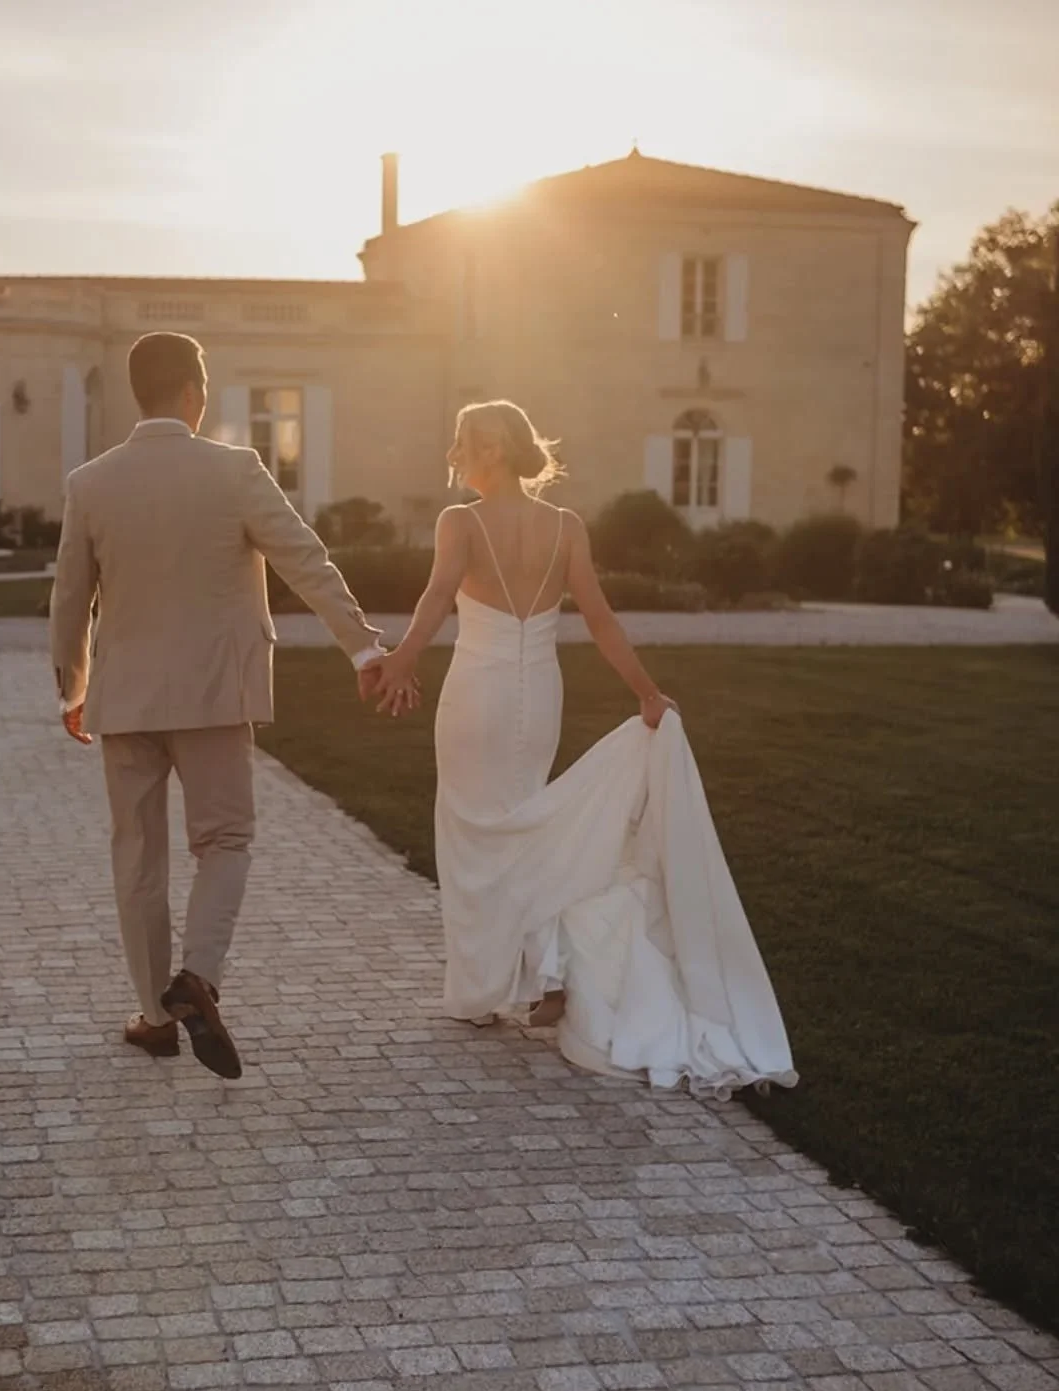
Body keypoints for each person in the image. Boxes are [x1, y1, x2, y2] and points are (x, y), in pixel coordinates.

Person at [368, 400, 796, 1097]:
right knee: (530, 828)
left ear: (492, 451)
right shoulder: (565, 527)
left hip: (477, 695)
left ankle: (482, 991)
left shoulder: (461, 523)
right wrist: (647, 693)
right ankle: (549, 979)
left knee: (476, 834)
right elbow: (599, 619)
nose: (457, 456)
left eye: (464, 445)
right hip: (538, 695)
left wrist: (403, 659)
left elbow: (437, 597)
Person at [49, 332, 401, 1078]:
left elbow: (70, 597)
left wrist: (73, 686)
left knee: (137, 858)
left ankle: (155, 1017)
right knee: (226, 842)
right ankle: (198, 979)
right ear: (192, 393)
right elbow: (306, 558)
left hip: (127, 699)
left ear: (138, 391)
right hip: (216, 693)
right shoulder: (236, 470)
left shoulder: (91, 482)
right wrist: (364, 648)